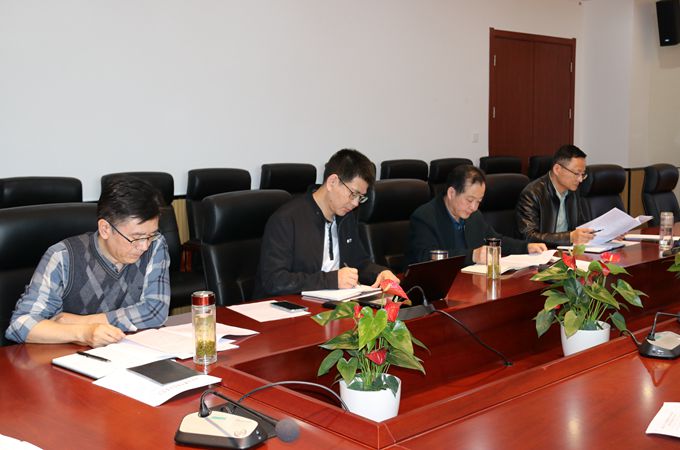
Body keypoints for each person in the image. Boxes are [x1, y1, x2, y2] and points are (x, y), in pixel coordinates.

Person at [5, 176, 170, 347]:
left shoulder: (155, 244)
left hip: (127, 350)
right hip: (66, 354)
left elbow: (155, 310)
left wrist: (82, 322)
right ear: (105, 229)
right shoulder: (63, 256)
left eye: (150, 235)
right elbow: (20, 325)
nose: (144, 246)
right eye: (136, 237)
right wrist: (83, 333)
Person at [254, 149, 399, 298]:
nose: (355, 203)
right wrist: (332, 280)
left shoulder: (346, 216)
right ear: (332, 182)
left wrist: (380, 273)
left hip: (334, 303)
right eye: (353, 194)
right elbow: (274, 281)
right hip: (289, 306)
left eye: (361, 197)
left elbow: (359, 263)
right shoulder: (286, 220)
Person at [407, 164, 547, 265]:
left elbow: (495, 240)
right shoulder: (424, 217)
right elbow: (426, 258)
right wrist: (472, 255)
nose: (474, 207)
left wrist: (525, 247)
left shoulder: (474, 216)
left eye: (478, 201)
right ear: (451, 193)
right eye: (469, 200)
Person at [516, 145, 594, 247]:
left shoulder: (573, 191)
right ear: (557, 169)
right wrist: (569, 237)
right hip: (544, 253)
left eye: (583, 174)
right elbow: (528, 236)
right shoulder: (532, 194)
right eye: (576, 173)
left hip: (567, 250)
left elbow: (580, 223)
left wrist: (600, 232)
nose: (580, 179)